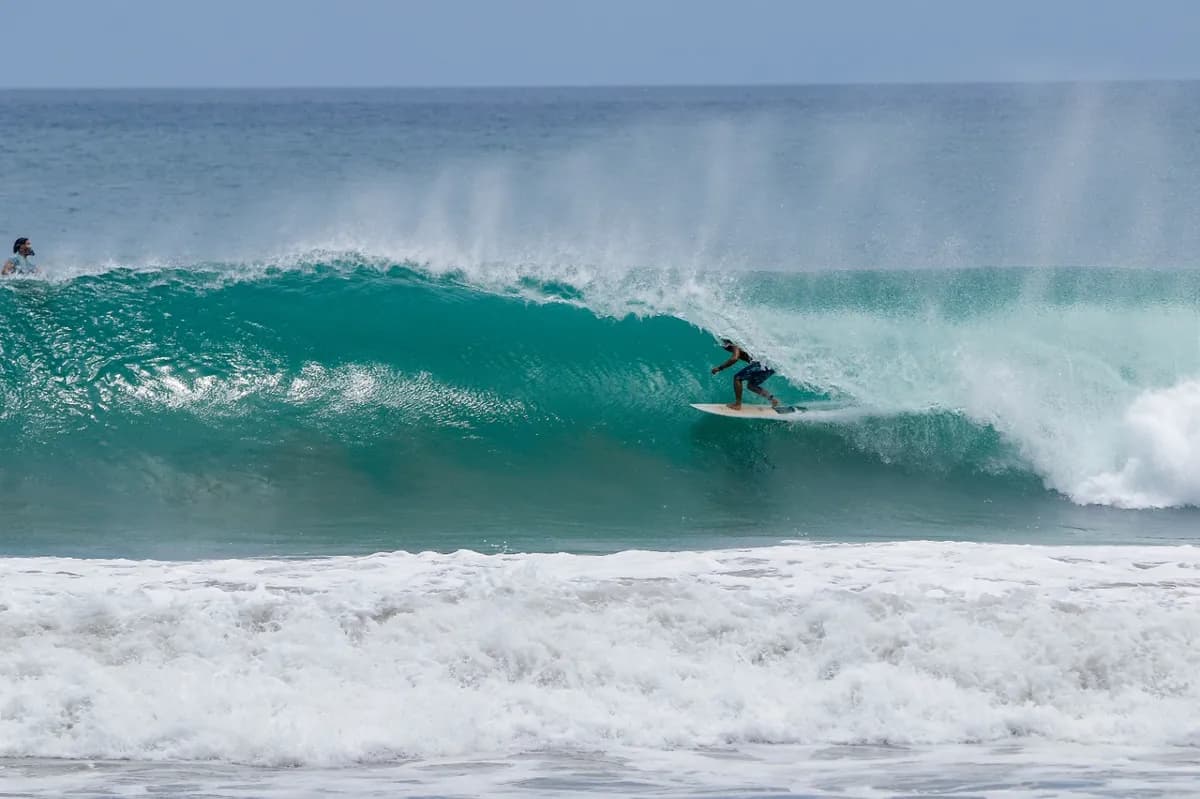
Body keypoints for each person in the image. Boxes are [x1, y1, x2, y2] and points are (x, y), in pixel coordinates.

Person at [711, 338, 780, 410]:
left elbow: (734, 358)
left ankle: (737, 404)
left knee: (737, 378)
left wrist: (719, 368)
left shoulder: (734, 345)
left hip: (762, 364)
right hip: (770, 366)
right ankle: (773, 400)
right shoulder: (740, 344)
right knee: (751, 385)